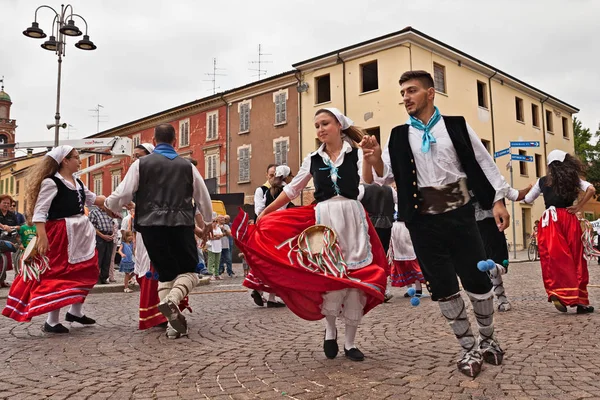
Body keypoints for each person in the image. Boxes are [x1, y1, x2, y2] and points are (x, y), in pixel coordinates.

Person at [362, 70, 513, 377]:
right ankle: (468, 348)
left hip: (460, 215)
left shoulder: (455, 126)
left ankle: (488, 340)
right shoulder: (399, 135)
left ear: (430, 93)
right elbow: (384, 175)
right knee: (442, 286)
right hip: (422, 221)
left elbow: (484, 161)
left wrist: (497, 200)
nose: (405, 97)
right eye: (403, 92)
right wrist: (376, 156)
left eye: (412, 90)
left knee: (477, 280)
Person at [234, 108, 388, 362]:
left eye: (325, 123)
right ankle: (330, 330)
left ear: (339, 125)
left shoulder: (357, 154)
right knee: (329, 277)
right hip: (323, 220)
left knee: (354, 280)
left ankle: (350, 343)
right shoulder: (313, 159)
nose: (320, 129)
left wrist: (372, 159)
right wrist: (266, 213)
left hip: (352, 217)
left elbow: (369, 182)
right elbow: (292, 190)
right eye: (316, 125)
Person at [105, 125, 213, 339]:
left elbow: (123, 193)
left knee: (166, 273)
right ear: (175, 141)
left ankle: (172, 324)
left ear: (154, 142)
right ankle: (172, 300)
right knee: (191, 271)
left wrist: (109, 204)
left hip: (150, 227)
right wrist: (208, 221)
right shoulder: (187, 167)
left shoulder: (141, 165)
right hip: (180, 224)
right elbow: (203, 196)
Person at [2, 145, 106, 333]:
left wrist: (121, 199)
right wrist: (42, 238)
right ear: (64, 161)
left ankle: (75, 312)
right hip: (60, 234)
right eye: (75, 157)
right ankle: (52, 320)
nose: (79, 160)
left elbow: (94, 199)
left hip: (80, 234)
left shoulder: (78, 182)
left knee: (88, 270)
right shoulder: (51, 183)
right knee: (58, 274)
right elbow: (40, 213)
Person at [522, 150, 596, 314]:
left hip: (550, 221)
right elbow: (591, 189)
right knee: (576, 257)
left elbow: (527, 200)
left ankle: (558, 292)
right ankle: (581, 302)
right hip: (569, 218)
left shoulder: (543, 181)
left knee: (554, 258)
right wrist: (579, 206)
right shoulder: (573, 179)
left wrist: (525, 190)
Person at [88, 205, 115, 284]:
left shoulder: (108, 212)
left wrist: (112, 234)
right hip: (100, 236)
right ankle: (95, 278)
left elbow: (112, 223)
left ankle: (104, 277)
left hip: (109, 236)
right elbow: (91, 226)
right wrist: (102, 236)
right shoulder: (94, 212)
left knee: (107, 258)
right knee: (99, 258)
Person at [0, 195, 20, 287]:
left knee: (5, 261)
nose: (6, 205)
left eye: (8, 203)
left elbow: (18, 225)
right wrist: (3, 226)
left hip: (7, 238)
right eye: (4, 203)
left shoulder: (12, 215)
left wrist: (13, 227)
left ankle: (2, 280)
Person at [208, 215, 223, 280]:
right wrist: (216, 236)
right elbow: (210, 236)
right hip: (211, 246)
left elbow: (221, 235)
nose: (215, 222)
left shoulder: (218, 228)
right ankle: (210, 274)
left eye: (216, 221)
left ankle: (217, 274)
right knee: (211, 261)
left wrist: (215, 236)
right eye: (213, 221)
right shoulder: (209, 228)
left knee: (217, 261)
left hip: (218, 246)